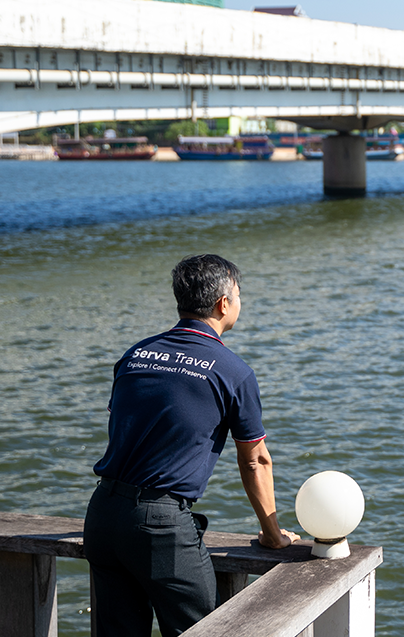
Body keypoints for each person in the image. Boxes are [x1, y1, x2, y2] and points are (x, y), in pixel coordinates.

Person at [84, 254, 298, 637]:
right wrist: (272, 534)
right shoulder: (233, 371)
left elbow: (126, 427)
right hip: (160, 526)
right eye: (239, 294)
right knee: (202, 632)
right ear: (223, 303)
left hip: (102, 516)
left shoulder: (135, 355)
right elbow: (255, 461)